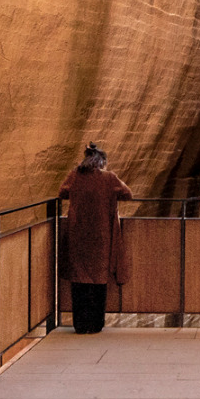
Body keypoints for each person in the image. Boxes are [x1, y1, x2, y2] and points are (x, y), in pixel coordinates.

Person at [58, 143, 132, 334]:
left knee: (78, 281)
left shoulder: (75, 175)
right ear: (102, 162)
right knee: (99, 282)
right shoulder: (109, 178)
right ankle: (96, 324)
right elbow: (127, 194)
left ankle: (80, 325)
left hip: (78, 234)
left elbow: (62, 192)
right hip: (101, 236)